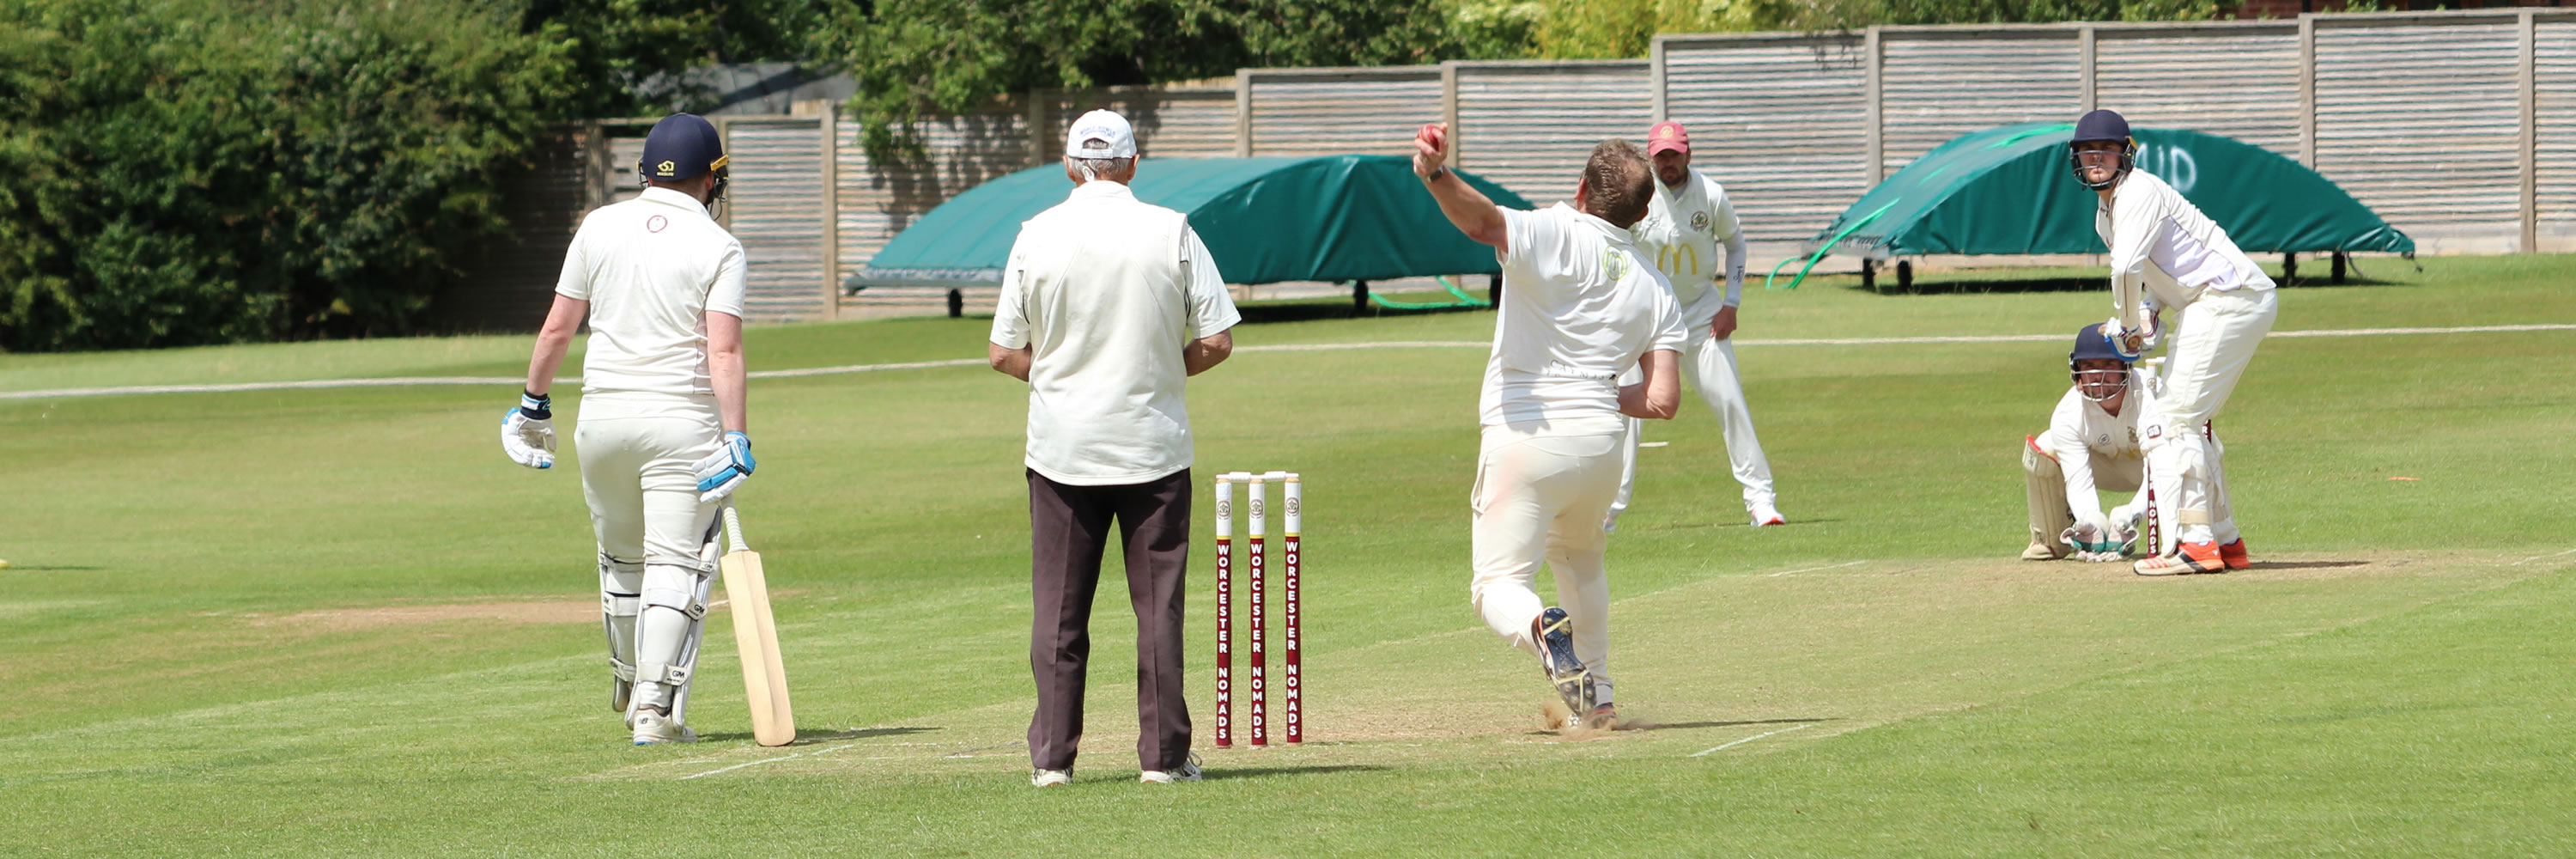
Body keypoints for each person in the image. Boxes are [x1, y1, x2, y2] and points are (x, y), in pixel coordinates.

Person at [988, 109, 1241, 788]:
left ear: (1070, 165)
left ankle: (1052, 761)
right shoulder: (1171, 229)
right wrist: (1151, 370)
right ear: (1132, 164)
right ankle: (1161, 759)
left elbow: (1004, 352)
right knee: (1156, 608)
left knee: (1059, 611)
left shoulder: (1035, 235)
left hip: (1062, 448)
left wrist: (1069, 377)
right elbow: (1217, 340)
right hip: (1151, 446)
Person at [1410, 123, 1685, 730]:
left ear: (1582, 189)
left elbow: (1482, 223)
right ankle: (1600, 697)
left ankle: (1541, 631)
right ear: (1641, 214)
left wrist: (1434, 173)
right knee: (1581, 559)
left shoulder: (1556, 227)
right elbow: (1663, 399)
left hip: (1526, 438)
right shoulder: (1656, 285)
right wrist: (1599, 397)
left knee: (1497, 584)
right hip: (1601, 445)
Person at [505, 113, 756, 744]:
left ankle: (626, 673)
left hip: (602, 422)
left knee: (621, 559)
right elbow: (723, 352)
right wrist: (737, 435)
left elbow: (558, 329)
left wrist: (533, 404)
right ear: (712, 177)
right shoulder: (720, 247)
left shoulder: (598, 226)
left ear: (644, 171)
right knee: (676, 562)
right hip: (681, 421)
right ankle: (652, 709)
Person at [2069, 108, 2270, 576]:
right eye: (2086, 151)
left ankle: (2198, 546)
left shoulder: (2138, 191)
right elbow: (2163, 276)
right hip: (2216, 300)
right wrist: (2147, 314)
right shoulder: (2106, 213)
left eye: (2105, 150)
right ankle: (2226, 541)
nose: (2095, 159)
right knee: (2187, 421)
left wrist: (2123, 325)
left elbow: (2125, 271)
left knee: (2175, 422)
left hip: (2227, 297)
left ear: (2126, 155)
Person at [1608, 121, 1783, 531]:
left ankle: (1762, 501)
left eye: (1674, 154)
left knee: (1730, 401)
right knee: (1626, 414)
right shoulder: (1638, 193)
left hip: (1701, 314)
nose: (1667, 163)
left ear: (1688, 154)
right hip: (1645, 316)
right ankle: (1606, 512)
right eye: (1660, 155)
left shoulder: (1712, 194)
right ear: (1650, 157)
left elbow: (1736, 245)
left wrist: (1731, 303)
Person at [2022, 325, 2155, 564]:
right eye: (2089, 366)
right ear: (2077, 371)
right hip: (2106, 469)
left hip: (2156, 469)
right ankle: (2051, 541)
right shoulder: (2068, 413)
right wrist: (2089, 521)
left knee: (2191, 447)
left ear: (2126, 366)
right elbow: (2079, 481)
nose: (2098, 376)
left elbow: (2162, 467)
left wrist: (2131, 515)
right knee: (2046, 445)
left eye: (2108, 365)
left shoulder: (2151, 394)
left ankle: (2198, 538)